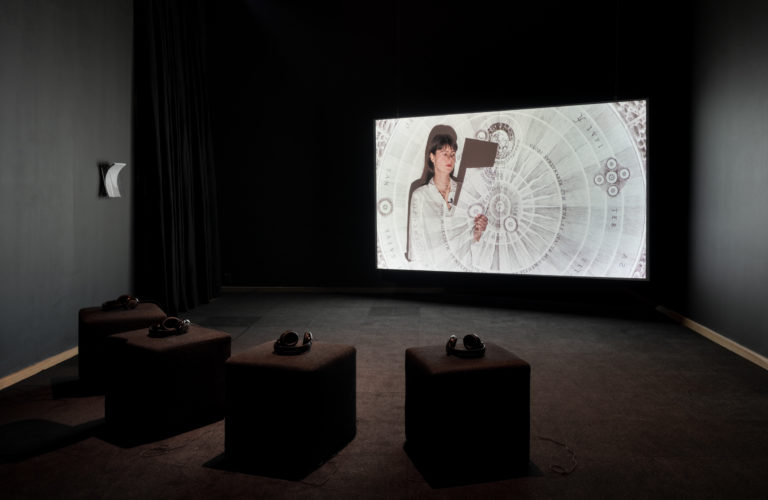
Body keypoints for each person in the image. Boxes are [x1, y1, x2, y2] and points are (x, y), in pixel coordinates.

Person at [406, 125, 489, 269]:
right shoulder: (420, 196)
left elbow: (471, 240)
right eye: (444, 153)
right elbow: (415, 241)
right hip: (432, 271)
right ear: (432, 157)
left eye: (452, 154)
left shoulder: (465, 192)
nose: (450, 158)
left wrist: (478, 231)